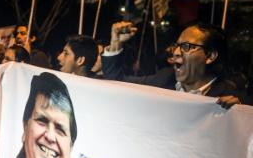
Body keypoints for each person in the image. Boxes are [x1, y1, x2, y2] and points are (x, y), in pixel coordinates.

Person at [102, 21, 245, 108]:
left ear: (210, 56)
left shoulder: (234, 101)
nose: (176, 52)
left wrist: (238, 117)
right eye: (177, 46)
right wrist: (116, 43)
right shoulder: (164, 79)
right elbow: (115, 81)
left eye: (186, 47)